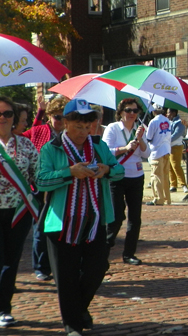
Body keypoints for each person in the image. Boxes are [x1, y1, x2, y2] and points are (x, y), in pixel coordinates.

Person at [36, 99, 124, 336]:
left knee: (97, 268)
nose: (83, 132)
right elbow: (41, 180)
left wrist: (106, 170)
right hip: (61, 223)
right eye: (78, 127)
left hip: (94, 220)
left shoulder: (99, 146)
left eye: (88, 127)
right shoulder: (51, 148)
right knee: (66, 277)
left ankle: (80, 307)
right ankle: (72, 325)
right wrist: (69, 172)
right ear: (65, 123)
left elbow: (119, 171)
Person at [0, 96, 39, 328]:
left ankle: (4, 308)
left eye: (7, 114)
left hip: (19, 212)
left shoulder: (25, 144)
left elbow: (38, 172)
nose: (2, 118)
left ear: (15, 117)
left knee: (11, 261)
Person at [23, 96, 68, 282]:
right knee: (40, 227)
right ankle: (41, 267)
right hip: (40, 187)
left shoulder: (70, 134)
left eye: (65, 117)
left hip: (63, 185)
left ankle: (59, 264)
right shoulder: (39, 131)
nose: (61, 121)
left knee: (61, 227)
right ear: (50, 116)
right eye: (57, 117)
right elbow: (19, 139)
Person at [103, 98, 150, 265]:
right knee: (116, 217)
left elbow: (147, 154)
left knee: (135, 218)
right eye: (128, 110)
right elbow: (106, 151)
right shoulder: (113, 128)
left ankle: (129, 253)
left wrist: (141, 140)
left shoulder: (140, 129)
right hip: (117, 177)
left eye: (135, 111)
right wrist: (125, 148)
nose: (132, 114)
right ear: (121, 112)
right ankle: (104, 250)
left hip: (136, 176)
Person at [145, 104, 171, 206]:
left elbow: (149, 138)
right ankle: (167, 198)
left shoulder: (153, 121)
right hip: (166, 150)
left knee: (156, 176)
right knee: (165, 176)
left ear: (154, 111)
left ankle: (158, 199)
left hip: (156, 152)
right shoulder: (167, 120)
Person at [167, 108, 188, 193]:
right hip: (169, 146)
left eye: (169, 113)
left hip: (176, 146)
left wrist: (166, 140)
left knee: (176, 165)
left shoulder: (179, 122)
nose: (167, 114)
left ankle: (183, 185)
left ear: (174, 113)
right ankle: (173, 185)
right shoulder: (169, 122)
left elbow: (176, 134)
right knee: (170, 167)